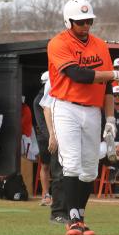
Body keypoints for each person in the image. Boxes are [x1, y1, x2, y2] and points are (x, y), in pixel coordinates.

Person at [47, 0, 119, 235]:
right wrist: (115, 72)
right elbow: (78, 74)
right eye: (80, 22)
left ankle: (81, 217)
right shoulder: (58, 43)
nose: (85, 26)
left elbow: (105, 85)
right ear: (68, 22)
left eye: (88, 21)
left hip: (93, 110)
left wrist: (111, 119)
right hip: (67, 107)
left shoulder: (100, 44)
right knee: (71, 163)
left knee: (90, 169)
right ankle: (72, 219)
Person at [39, 74, 68, 224]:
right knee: (58, 173)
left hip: (72, 132)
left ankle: (73, 212)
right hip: (56, 134)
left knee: (74, 173)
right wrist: (51, 135)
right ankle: (57, 212)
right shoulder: (53, 83)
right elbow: (46, 109)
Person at [33, 71, 52, 206]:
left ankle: (59, 195)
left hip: (56, 134)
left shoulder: (57, 97)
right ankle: (46, 195)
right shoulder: (38, 101)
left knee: (61, 166)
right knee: (46, 165)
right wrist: (51, 137)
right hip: (46, 136)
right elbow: (41, 123)